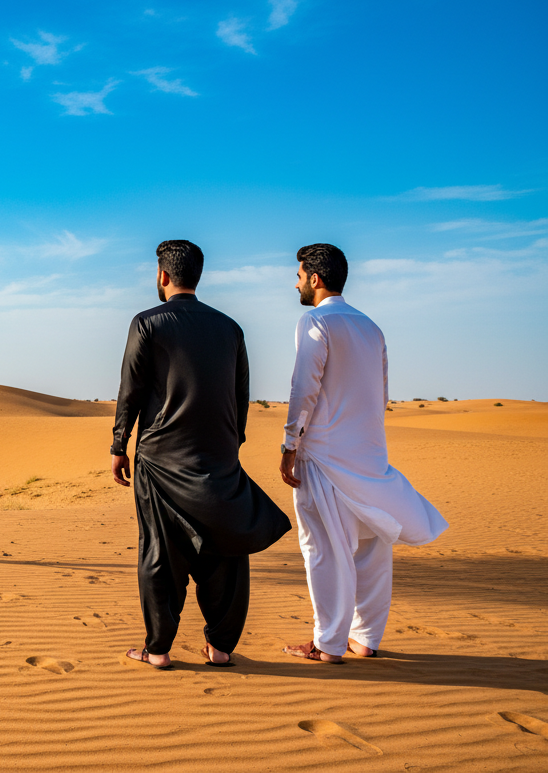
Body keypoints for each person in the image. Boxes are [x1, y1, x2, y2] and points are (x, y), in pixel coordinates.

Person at [113, 240, 291, 670]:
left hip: (160, 461)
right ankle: (221, 647)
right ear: (197, 275)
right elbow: (240, 395)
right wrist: (232, 444)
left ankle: (158, 650)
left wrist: (120, 445)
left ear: (162, 275)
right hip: (219, 459)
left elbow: (131, 392)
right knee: (226, 553)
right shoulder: (230, 328)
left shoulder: (147, 323)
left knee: (160, 552)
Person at [280, 243, 448, 664]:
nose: (295, 282)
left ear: (316, 279)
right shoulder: (371, 327)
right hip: (371, 456)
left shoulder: (315, 320)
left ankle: (328, 644)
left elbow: (304, 388)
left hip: (324, 456)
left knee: (323, 548)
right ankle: (365, 638)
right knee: (373, 546)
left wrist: (289, 445)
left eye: (299, 275)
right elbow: (382, 394)